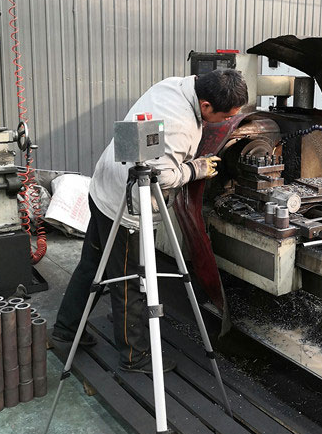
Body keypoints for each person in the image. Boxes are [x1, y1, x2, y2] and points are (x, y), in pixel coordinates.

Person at [52, 69, 248, 372]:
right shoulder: (180, 124)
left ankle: (65, 330)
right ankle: (134, 355)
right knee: (129, 281)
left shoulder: (173, 85)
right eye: (225, 116)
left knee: (92, 265)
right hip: (126, 206)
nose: (225, 121)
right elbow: (162, 176)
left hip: (104, 186)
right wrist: (196, 169)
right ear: (206, 105)